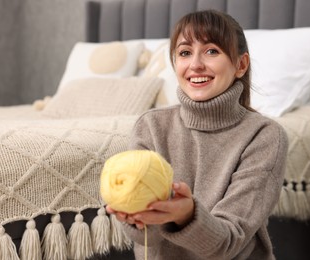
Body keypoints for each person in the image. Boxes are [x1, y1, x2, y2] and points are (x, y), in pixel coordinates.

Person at [106, 9, 288, 260]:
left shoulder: (264, 136)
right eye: (184, 52)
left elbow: (228, 243)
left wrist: (186, 215)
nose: (195, 65)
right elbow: (144, 238)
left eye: (212, 51)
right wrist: (134, 216)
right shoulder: (150, 126)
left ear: (240, 64)